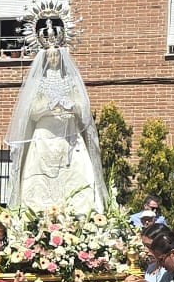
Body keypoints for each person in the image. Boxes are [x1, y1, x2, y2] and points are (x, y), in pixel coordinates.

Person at [6, 11, 107, 214]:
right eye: (49, 55)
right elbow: (31, 112)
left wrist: (70, 105)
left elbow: (83, 109)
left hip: (69, 137)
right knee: (40, 180)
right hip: (44, 136)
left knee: (76, 177)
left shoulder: (71, 81)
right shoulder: (37, 83)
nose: (53, 58)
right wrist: (49, 106)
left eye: (56, 55)